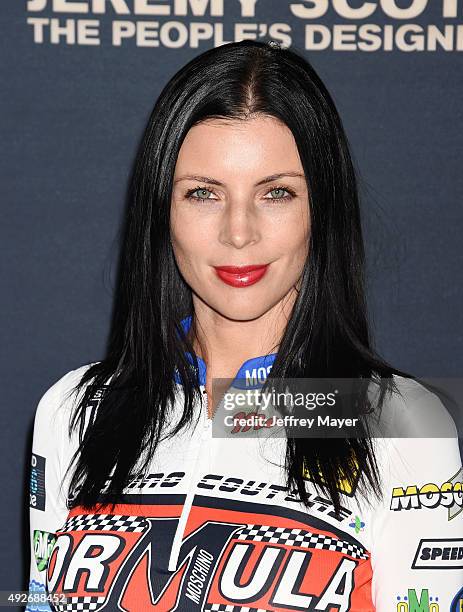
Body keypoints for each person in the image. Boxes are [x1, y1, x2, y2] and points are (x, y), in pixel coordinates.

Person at [27, 40, 462, 612]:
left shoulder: (400, 422)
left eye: (275, 193)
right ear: (163, 210)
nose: (238, 232)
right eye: (203, 193)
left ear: (321, 210)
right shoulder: (76, 410)